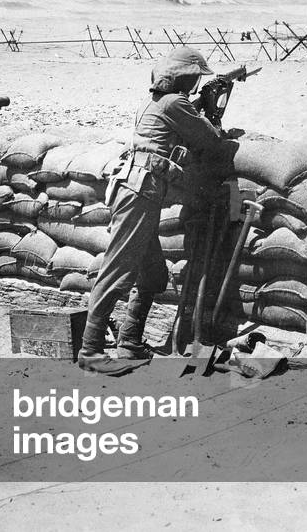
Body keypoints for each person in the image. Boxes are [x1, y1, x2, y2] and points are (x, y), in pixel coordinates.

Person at [78, 46, 230, 375]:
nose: (194, 82)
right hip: (139, 191)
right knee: (117, 271)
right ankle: (90, 351)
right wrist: (211, 110)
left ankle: (129, 342)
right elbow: (210, 140)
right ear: (184, 78)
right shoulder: (176, 103)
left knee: (154, 275)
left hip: (134, 188)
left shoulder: (156, 101)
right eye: (193, 77)